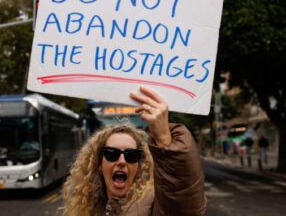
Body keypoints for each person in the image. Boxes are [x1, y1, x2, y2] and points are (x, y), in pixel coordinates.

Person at [63, 86, 206, 216]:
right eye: (112, 154)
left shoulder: (153, 204)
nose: (121, 161)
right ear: (99, 164)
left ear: (139, 166)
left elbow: (181, 204)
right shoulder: (89, 209)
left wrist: (164, 139)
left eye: (131, 155)